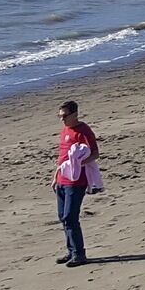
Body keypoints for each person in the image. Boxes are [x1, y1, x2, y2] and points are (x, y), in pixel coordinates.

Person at [53, 100, 99, 267]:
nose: (62, 119)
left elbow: (95, 153)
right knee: (62, 217)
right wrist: (55, 177)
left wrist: (79, 164)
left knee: (70, 217)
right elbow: (62, 156)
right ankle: (71, 251)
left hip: (76, 181)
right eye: (60, 116)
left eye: (65, 116)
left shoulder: (83, 130)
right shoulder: (64, 130)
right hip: (61, 180)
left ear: (74, 114)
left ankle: (79, 254)